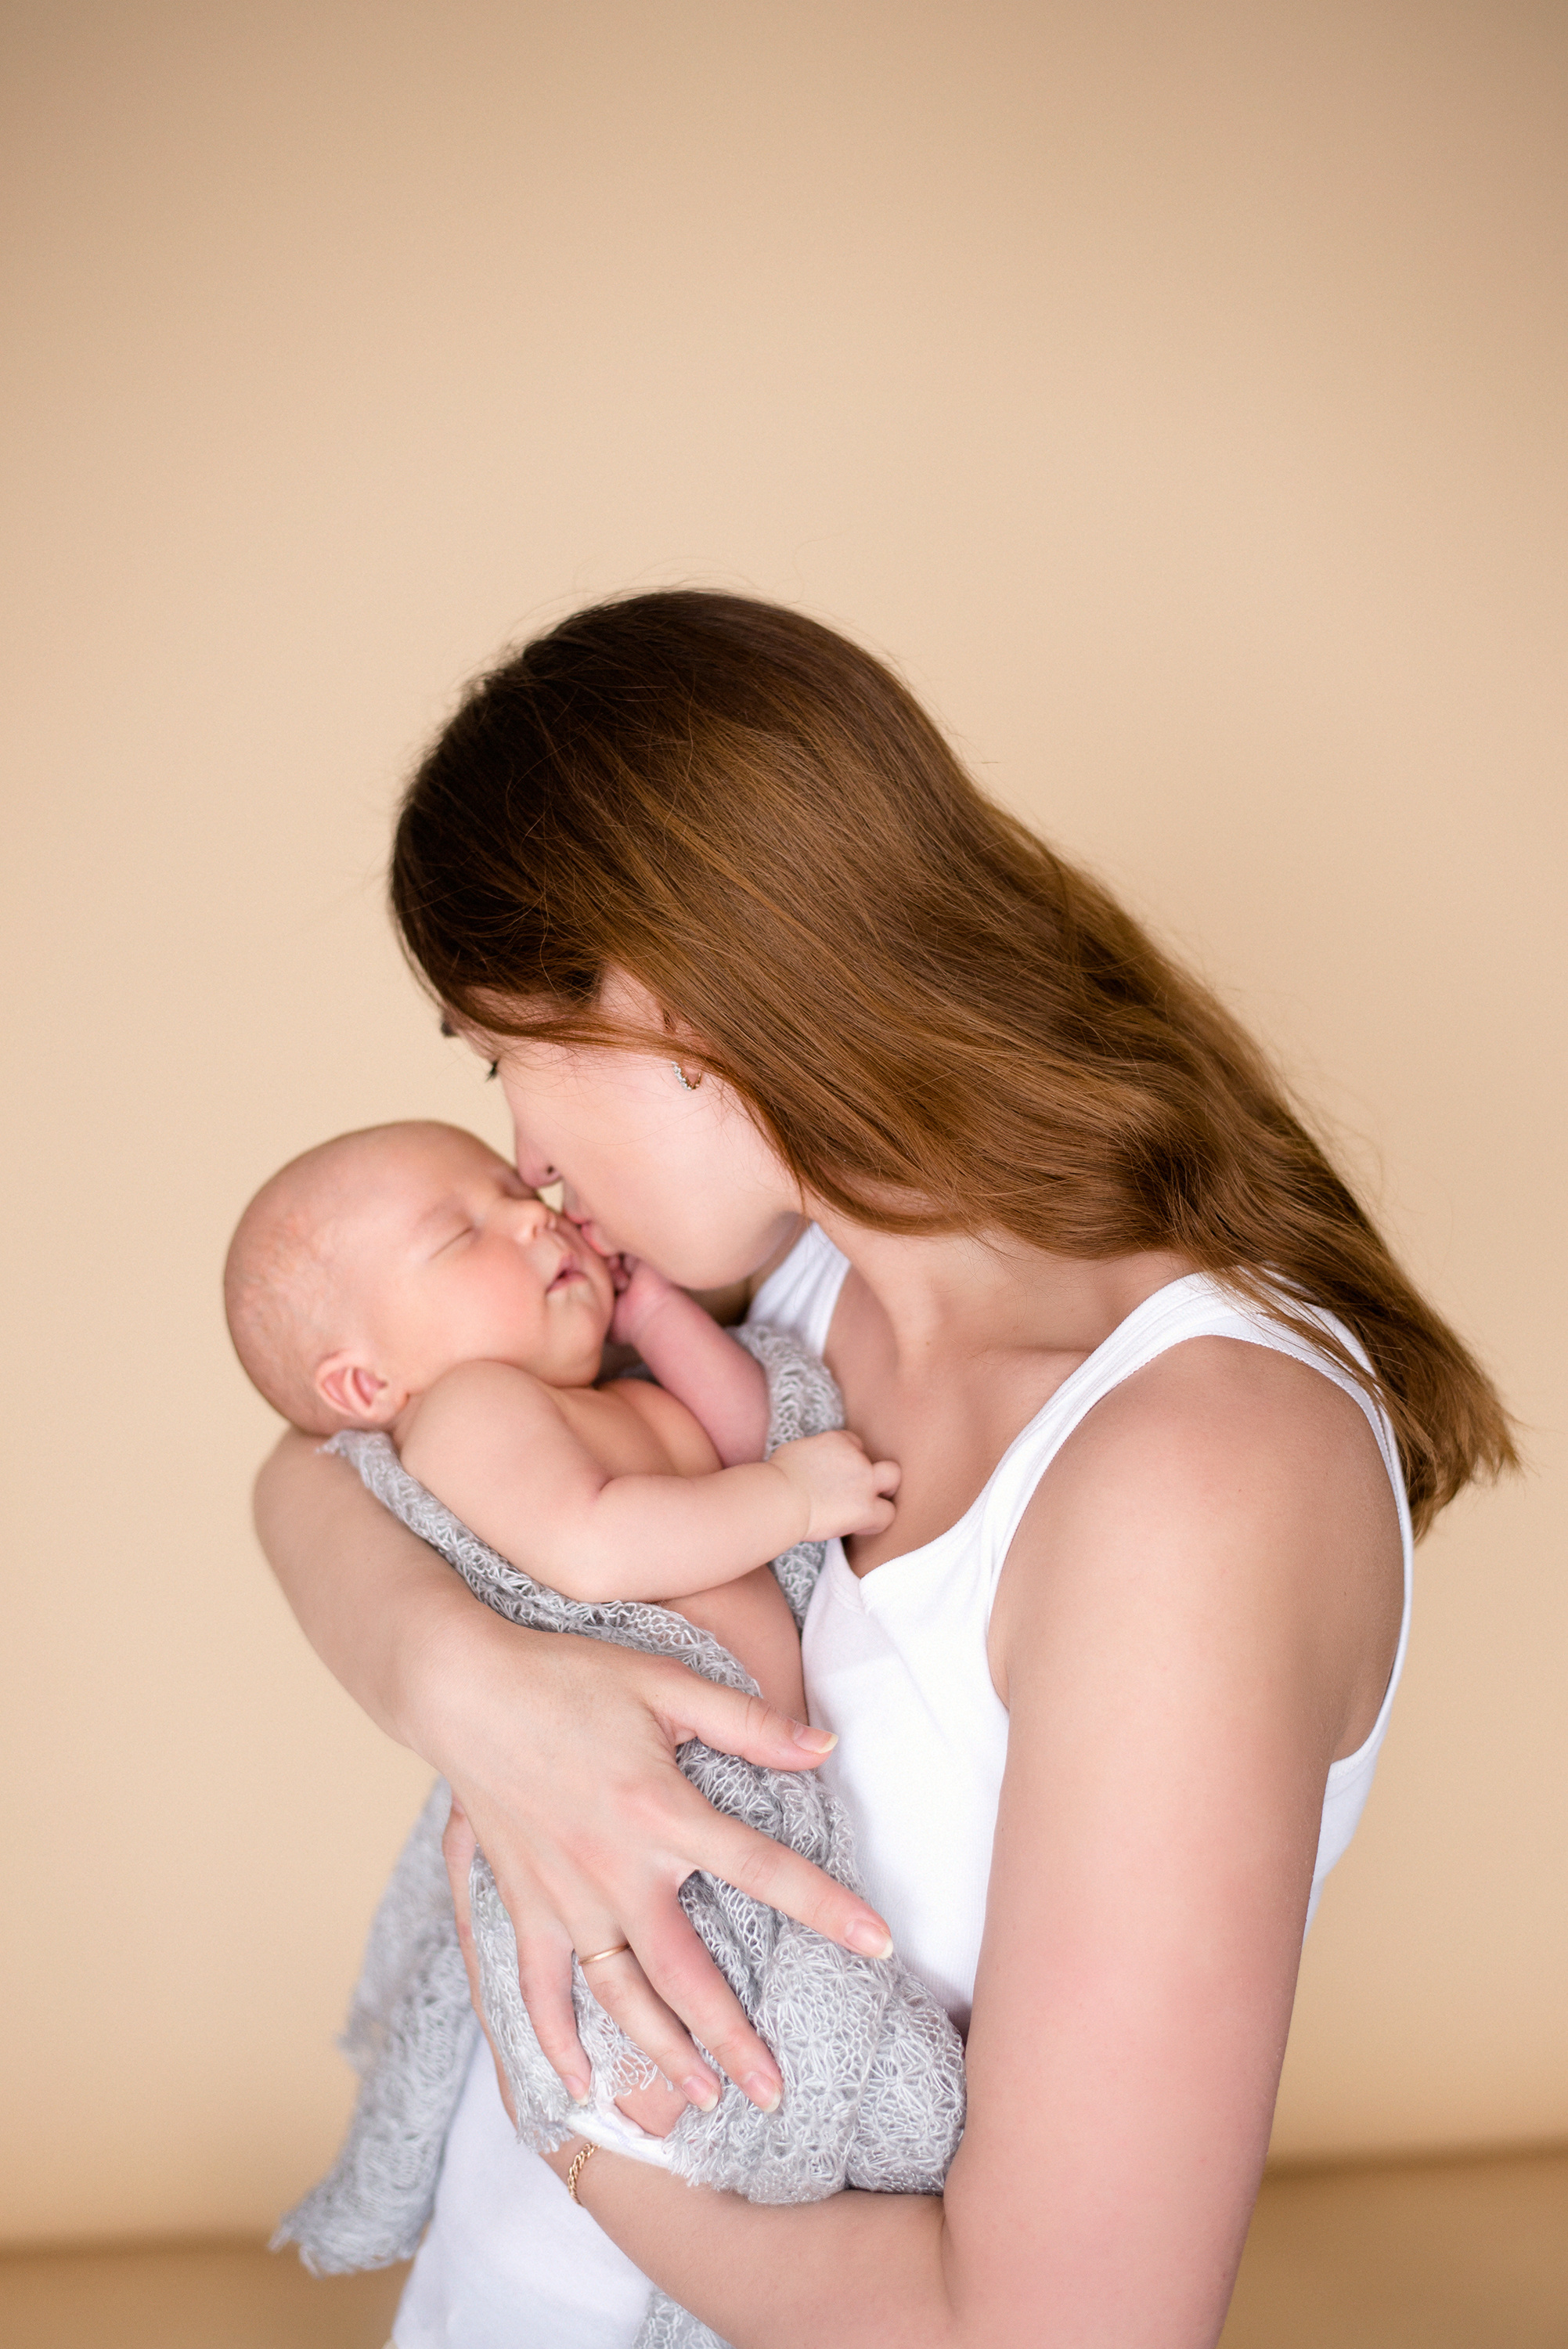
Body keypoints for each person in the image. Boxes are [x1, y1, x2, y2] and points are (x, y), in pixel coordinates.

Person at [255, 590, 1514, 2347]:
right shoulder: (784, 1278)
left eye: (502, 1059)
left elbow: (1057, 2333)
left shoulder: (1190, 1475)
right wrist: (468, 1689)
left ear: (659, 994)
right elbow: (334, 1454)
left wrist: (578, 2121)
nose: (520, 1156)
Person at [224, 1117, 899, 1728]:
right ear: (368, 1385)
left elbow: (765, 1440)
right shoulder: (467, 1411)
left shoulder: (603, 1395)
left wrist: (656, 1319)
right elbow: (594, 1546)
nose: (531, 1219)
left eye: (518, 1194)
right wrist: (792, 1498)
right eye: (462, 1234)